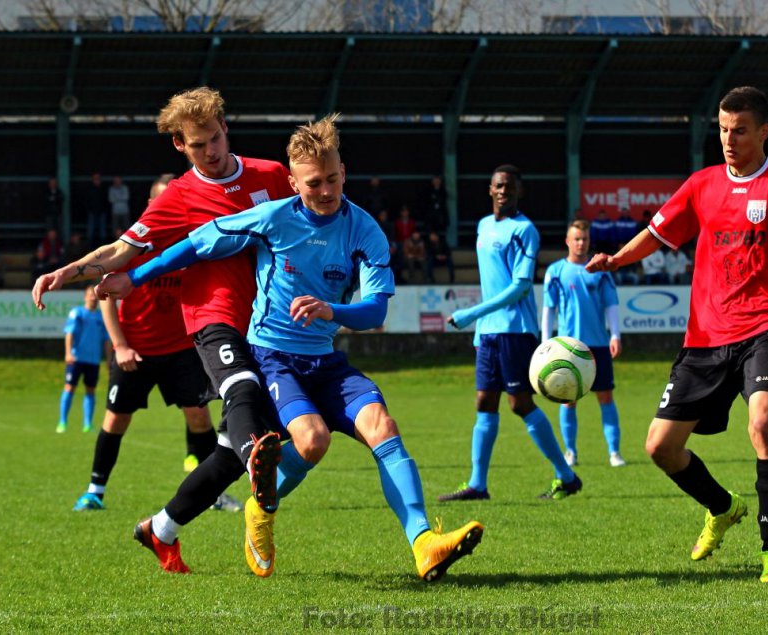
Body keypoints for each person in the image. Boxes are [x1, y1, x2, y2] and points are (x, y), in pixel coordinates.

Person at [99, 114, 483, 581]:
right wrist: (134, 277)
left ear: (344, 171)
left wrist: (331, 310)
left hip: (325, 361)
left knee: (381, 426)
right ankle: (255, 511)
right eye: (314, 183)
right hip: (271, 359)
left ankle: (424, 544)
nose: (326, 191)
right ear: (293, 183)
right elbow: (197, 244)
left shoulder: (364, 230)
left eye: (333, 179)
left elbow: (376, 311)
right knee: (311, 440)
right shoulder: (273, 217)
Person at [32, 86, 291, 573]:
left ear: (226, 128)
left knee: (229, 452)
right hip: (211, 317)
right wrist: (66, 272)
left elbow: (311, 223)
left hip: (267, 323)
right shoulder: (179, 197)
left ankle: (160, 529)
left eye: (215, 139)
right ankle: (255, 460)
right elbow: (121, 251)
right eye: (197, 145)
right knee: (242, 394)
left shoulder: (272, 175)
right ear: (179, 145)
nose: (210, 152)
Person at [586, 86, 768, 583]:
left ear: (764, 131)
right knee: (660, 447)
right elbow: (657, 232)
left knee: (762, 423)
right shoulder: (702, 184)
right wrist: (617, 260)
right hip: (706, 335)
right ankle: (722, 506)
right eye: (723, 129)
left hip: (765, 327)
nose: (729, 139)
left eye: (740, 130)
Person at [71, 174, 240, 514]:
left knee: (199, 418)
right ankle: (94, 492)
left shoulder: (192, 244)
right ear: (152, 205)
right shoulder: (133, 246)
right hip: (136, 351)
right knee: (116, 420)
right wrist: (120, 346)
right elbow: (106, 297)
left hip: (182, 350)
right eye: (164, 200)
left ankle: (214, 495)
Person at [439, 164, 582, 502]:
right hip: (489, 333)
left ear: (520, 191)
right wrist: (479, 327)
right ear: (490, 190)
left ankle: (566, 476)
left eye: (510, 186)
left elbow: (520, 287)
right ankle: (477, 485)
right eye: (499, 186)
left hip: (515, 330)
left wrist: (472, 314)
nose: (504, 191)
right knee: (484, 401)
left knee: (519, 403)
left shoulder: (525, 230)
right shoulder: (483, 225)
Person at [541, 220, 625, 468]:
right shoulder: (555, 271)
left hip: (598, 345)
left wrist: (615, 335)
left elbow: (611, 304)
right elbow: (549, 308)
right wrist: (545, 342)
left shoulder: (599, 270)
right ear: (567, 241)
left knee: (606, 397)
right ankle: (570, 452)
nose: (580, 243)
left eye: (584, 239)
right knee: (568, 399)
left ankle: (614, 452)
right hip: (568, 347)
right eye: (576, 239)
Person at [57, 285, 111, 433]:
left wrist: (108, 358)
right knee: (69, 387)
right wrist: (68, 353)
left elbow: (107, 340)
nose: (93, 298)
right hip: (76, 358)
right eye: (90, 295)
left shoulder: (102, 316)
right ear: (85, 297)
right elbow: (69, 333)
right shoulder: (77, 313)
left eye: (95, 295)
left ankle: (87, 424)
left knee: (90, 390)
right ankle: (62, 422)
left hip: (93, 360)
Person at [83, 172, 110, 246]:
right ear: (93, 179)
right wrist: (89, 209)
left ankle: (103, 248)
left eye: (98, 178)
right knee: (90, 232)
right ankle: (89, 248)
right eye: (95, 178)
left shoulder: (103, 188)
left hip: (102, 212)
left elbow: (106, 200)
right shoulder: (89, 189)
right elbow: (86, 200)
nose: (97, 180)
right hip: (92, 213)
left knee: (102, 233)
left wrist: (104, 210)